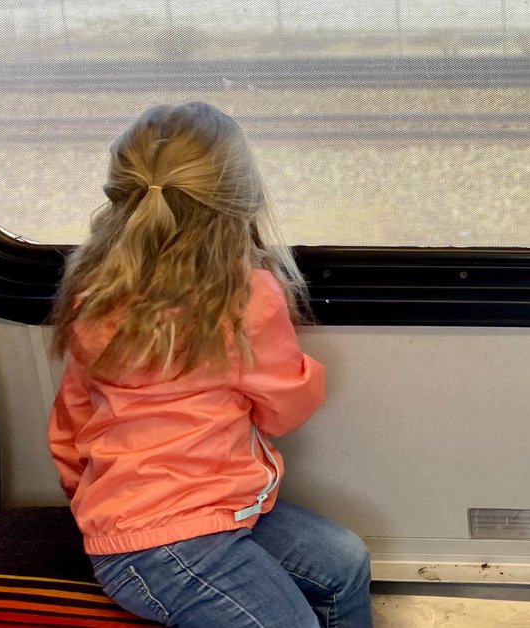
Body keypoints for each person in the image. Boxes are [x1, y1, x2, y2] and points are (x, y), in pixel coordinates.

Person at [48, 102, 373, 628]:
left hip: (203, 511)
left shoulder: (96, 294)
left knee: (344, 564)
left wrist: (97, 504)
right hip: (157, 546)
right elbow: (284, 411)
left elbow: (71, 421)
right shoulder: (246, 298)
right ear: (240, 203)